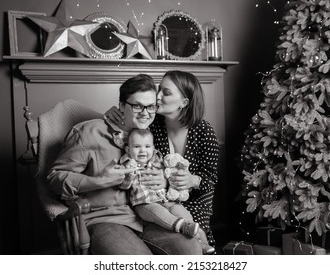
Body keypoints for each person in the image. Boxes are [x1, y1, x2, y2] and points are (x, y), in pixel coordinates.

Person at [47, 74, 202, 255]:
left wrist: (166, 181)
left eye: (151, 106)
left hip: (148, 216)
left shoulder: (151, 136)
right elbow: (55, 178)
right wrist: (100, 180)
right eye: (137, 106)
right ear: (121, 106)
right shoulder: (89, 131)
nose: (145, 113)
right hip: (105, 219)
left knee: (190, 249)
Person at [106, 70, 220, 249]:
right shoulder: (152, 123)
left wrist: (191, 180)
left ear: (184, 102)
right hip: (156, 198)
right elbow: (131, 119)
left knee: (195, 237)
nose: (157, 97)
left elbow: (211, 179)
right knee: (171, 232)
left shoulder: (204, 131)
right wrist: (114, 113)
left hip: (194, 200)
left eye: (165, 93)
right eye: (159, 90)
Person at [117, 128, 215, 254]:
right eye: (137, 147)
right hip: (145, 203)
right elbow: (123, 186)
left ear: (153, 148)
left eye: (147, 146)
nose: (142, 151)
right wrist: (129, 175)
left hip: (166, 199)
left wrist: (168, 175)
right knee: (159, 212)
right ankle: (181, 226)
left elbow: (168, 171)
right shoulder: (128, 164)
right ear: (128, 150)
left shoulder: (156, 158)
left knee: (182, 212)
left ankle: (202, 243)